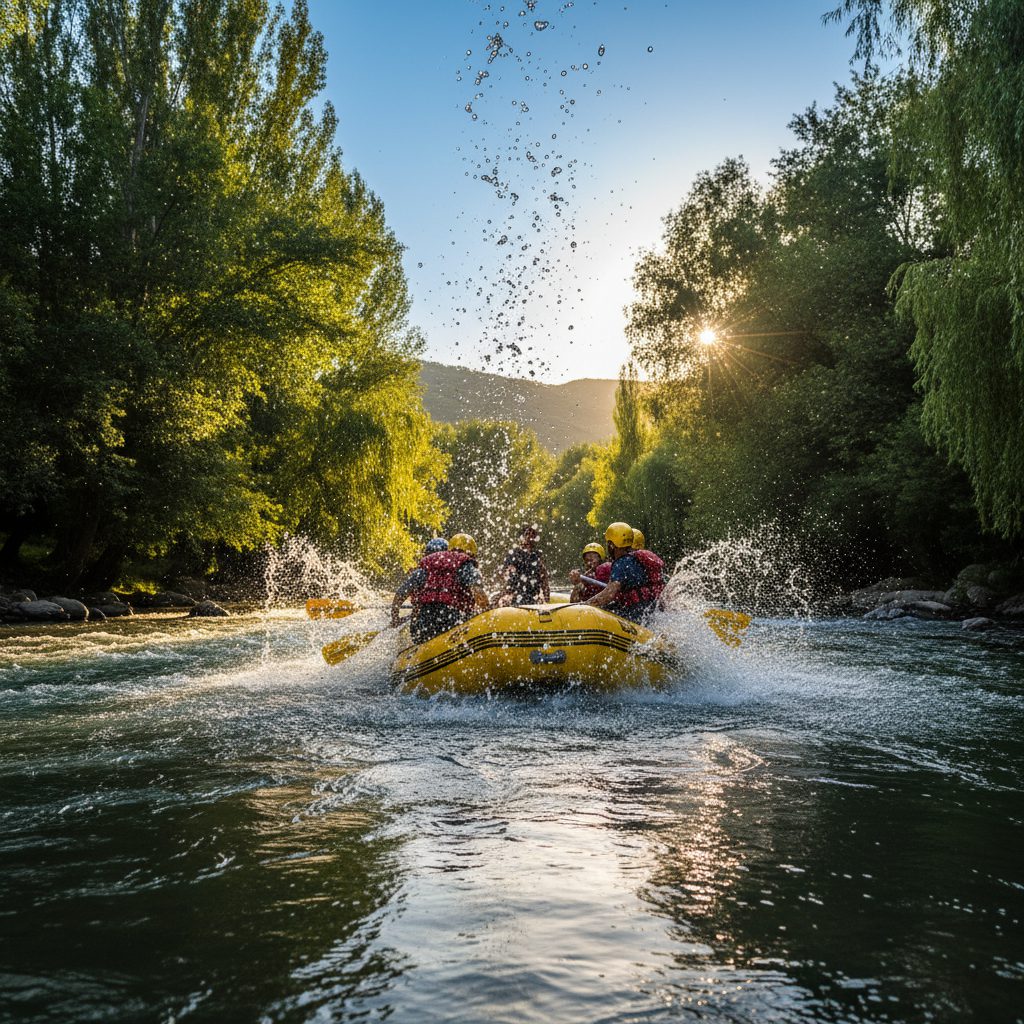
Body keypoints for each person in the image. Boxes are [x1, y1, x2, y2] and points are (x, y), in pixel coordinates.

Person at [400, 532, 489, 642]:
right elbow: (479, 595)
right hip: (451, 621)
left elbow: (401, 594)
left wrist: (395, 618)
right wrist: (487, 616)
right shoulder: (466, 566)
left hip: (424, 625)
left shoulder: (424, 569)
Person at [581, 522, 664, 623]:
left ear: (611, 545)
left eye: (608, 543)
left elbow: (609, 594)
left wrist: (585, 605)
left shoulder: (620, 564)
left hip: (634, 613)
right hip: (647, 611)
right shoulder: (636, 559)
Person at [391, 538, 448, 630]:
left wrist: (395, 618)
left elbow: (399, 595)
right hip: (447, 620)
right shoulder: (453, 573)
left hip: (422, 622)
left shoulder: (419, 574)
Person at [497, 522, 550, 605]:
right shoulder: (514, 554)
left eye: (533, 535)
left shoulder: (537, 555)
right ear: (522, 537)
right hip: (516, 595)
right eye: (527, 535)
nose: (530, 538)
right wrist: (507, 593)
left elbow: (544, 576)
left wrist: (546, 597)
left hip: (533, 595)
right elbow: (506, 574)